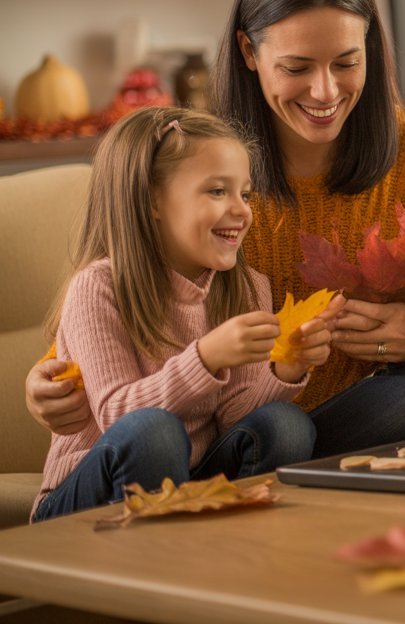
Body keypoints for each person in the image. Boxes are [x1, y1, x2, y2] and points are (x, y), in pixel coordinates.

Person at [27, 0, 405, 458]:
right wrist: (50, 383)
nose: (325, 92)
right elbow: (118, 307)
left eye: (346, 62)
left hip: (352, 424)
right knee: (279, 428)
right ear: (248, 52)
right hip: (233, 437)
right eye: (297, 67)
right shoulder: (200, 166)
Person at [34, 108, 333, 521]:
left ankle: (236, 543)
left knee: (285, 424)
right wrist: (206, 357)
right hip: (85, 496)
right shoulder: (98, 287)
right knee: (154, 433)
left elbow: (237, 417)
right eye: (217, 192)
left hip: (191, 484)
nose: (242, 210)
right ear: (153, 200)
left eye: (244, 194)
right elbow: (118, 416)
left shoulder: (246, 286)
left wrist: (286, 369)